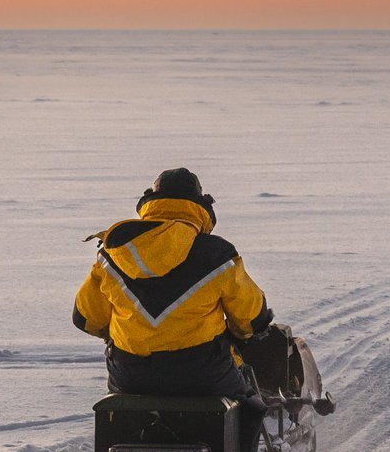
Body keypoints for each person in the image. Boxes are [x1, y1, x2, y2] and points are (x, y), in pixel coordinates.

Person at [74, 168, 276, 398]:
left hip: (130, 375)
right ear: (200, 204)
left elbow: (86, 318)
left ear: (151, 200)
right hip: (203, 374)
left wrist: (125, 335)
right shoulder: (218, 255)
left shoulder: (115, 251)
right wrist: (241, 335)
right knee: (249, 405)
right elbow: (250, 318)